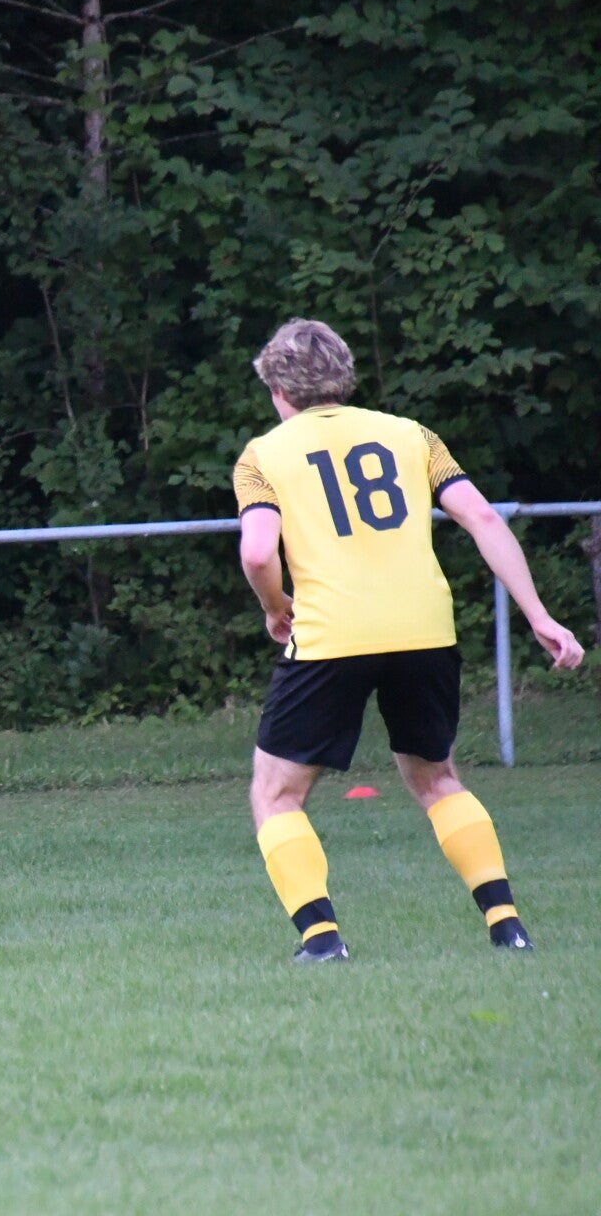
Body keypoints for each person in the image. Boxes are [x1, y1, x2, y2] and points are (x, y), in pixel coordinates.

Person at [232, 320, 585, 962]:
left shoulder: (263, 455)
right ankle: (507, 925)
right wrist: (539, 614)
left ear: (279, 389)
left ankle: (321, 940)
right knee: (437, 778)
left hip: (333, 634)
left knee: (276, 793)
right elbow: (481, 516)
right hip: (424, 630)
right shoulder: (412, 435)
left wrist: (276, 607)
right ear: (343, 376)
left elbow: (258, 553)